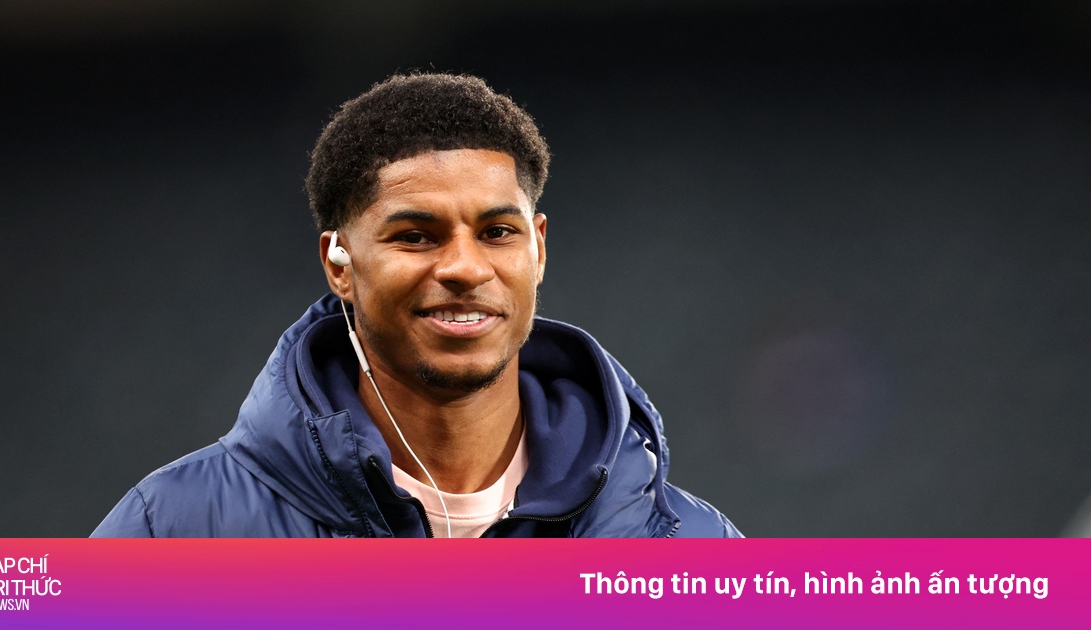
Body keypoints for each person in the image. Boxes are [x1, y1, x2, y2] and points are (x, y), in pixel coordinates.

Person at [92, 73, 741, 538]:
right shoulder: (173, 530)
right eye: (416, 236)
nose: (465, 267)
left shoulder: (686, 549)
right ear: (339, 264)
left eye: (497, 231)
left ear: (538, 248)